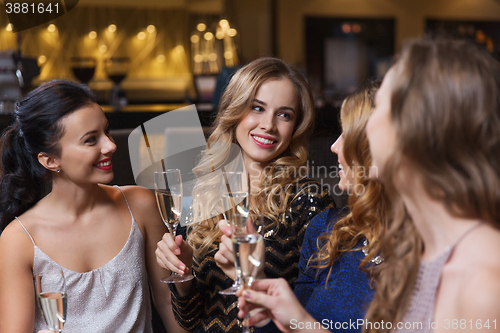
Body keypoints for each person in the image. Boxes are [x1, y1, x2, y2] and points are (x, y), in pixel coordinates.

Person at [155, 57, 334, 332]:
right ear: (234, 110)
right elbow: (189, 319)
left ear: (296, 125)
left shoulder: (312, 201)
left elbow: (311, 320)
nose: (268, 125)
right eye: (257, 108)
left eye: (284, 114)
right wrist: (184, 276)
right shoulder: (198, 191)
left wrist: (254, 277)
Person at [0, 80, 186, 333]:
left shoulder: (140, 205)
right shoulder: (18, 239)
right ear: (50, 160)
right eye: (91, 140)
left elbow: (166, 303)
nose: (110, 146)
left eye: (106, 132)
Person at [363, 39, 500, 332]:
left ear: (416, 126)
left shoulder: (485, 287)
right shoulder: (419, 251)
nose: (367, 126)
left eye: (377, 107)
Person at [234, 81, 390, 333]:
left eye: (347, 135)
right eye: (256, 108)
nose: (334, 146)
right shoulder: (326, 228)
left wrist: (303, 324)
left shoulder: (426, 249)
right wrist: (257, 287)